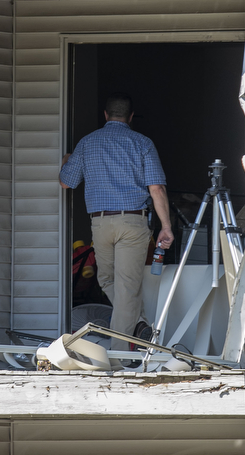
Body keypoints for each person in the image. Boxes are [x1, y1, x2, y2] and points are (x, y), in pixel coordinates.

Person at [59, 93, 174, 355]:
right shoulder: (143, 143)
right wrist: (166, 226)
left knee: (110, 280)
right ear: (131, 117)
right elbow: (156, 188)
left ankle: (119, 352)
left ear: (106, 115)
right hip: (133, 221)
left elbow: (67, 182)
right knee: (121, 284)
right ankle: (139, 328)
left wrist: (66, 161)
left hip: (100, 223)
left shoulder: (87, 142)